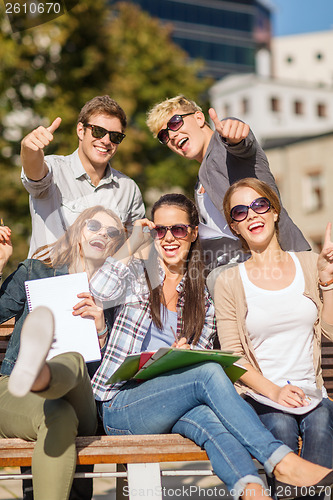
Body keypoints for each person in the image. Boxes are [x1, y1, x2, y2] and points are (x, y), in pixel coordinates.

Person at [89, 193, 333, 500]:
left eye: (178, 230)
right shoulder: (136, 276)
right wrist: (131, 242)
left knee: (212, 423)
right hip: (119, 405)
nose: (168, 238)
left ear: (192, 233)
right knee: (207, 373)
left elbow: (199, 365)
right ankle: (280, 461)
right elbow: (98, 291)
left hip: (170, 404)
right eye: (159, 231)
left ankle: (253, 492)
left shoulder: (201, 298)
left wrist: (182, 354)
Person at [214, 178, 333, 497]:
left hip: (313, 393)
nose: (252, 214)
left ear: (275, 211)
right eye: (240, 212)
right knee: (279, 426)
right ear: (234, 227)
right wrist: (276, 392)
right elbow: (233, 357)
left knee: (321, 423)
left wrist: (327, 283)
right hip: (261, 395)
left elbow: (330, 332)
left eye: (259, 205)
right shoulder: (229, 281)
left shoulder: (309, 264)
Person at [0, 207, 126, 500]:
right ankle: (37, 373)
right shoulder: (35, 271)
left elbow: (118, 369)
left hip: (83, 395)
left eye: (112, 233)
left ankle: (42, 372)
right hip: (16, 391)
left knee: (72, 361)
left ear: (116, 245)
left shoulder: (117, 294)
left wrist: (101, 330)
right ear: (78, 229)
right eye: (94, 226)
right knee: (59, 415)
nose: (102, 234)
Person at [146, 95, 310, 279]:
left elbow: (242, 144)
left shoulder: (224, 145)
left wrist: (236, 135)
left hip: (286, 264)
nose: (172, 135)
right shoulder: (201, 181)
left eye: (175, 123)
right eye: (164, 135)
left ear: (199, 118)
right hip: (243, 276)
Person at [21, 95, 145, 257]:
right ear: (81, 130)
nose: (106, 141)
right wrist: (29, 149)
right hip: (50, 280)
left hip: (104, 281)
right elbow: (34, 173)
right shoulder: (54, 169)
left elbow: (134, 249)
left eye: (115, 136)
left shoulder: (128, 189)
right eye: (98, 131)